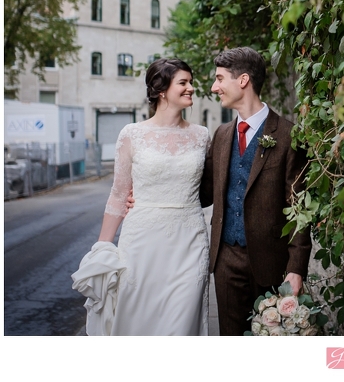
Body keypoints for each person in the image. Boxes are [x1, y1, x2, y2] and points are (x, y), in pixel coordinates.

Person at [72, 58, 210, 335]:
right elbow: (119, 194)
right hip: (141, 242)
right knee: (138, 322)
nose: (191, 88)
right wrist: (102, 249)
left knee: (180, 327)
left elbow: (209, 189)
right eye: (183, 83)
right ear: (161, 90)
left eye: (191, 82)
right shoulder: (132, 134)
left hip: (190, 241)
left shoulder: (202, 136)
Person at [200, 47, 310, 336]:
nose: (214, 87)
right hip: (226, 261)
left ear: (243, 80)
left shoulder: (288, 136)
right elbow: (203, 194)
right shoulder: (222, 135)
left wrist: (296, 268)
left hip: (272, 263)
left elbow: (300, 207)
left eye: (220, 79)